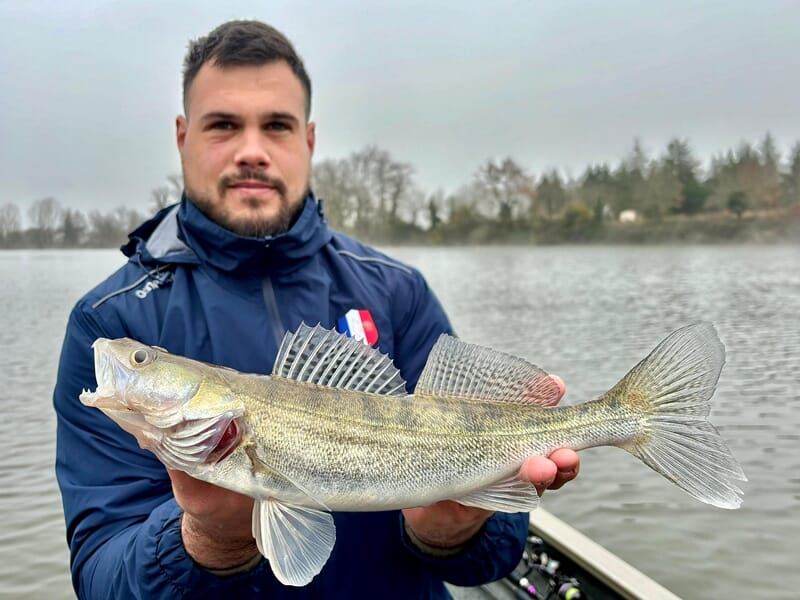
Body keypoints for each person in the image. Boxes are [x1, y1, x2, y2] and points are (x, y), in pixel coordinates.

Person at [53, 19, 579, 599]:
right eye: (223, 125)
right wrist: (210, 539)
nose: (252, 151)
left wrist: (453, 530)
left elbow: (496, 555)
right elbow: (101, 579)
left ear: (308, 139)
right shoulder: (109, 319)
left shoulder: (397, 290)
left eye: (276, 126)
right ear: (183, 136)